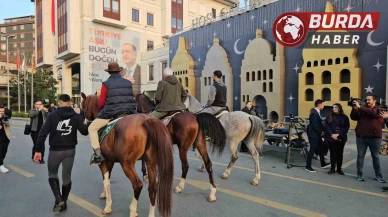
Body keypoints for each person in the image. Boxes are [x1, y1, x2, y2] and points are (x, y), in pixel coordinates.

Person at [33, 94, 89, 212]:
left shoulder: (52, 115)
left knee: (52, 174)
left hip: (55, 151)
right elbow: (84, 132)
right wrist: (84, 118)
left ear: (59, 103)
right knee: (66, 177)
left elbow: (42, 134)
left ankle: (58, 199)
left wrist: (38, 150)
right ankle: (64, 202)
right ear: (70, 103)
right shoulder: (76, 116)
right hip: (70, 151)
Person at [88, 62, 137, 165]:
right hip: (130, 112)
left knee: (91, 128)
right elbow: (130, 97)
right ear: (119, 71)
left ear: (109, 72)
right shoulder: (128, 83)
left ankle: (97, 155)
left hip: (112, 112)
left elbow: (101, 103)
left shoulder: (106, 83)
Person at [350, 95, 386, 183]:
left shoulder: (380, 109)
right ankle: (360, 174)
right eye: (366, 100)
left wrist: (360, 107)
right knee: (360, 156)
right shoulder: (362, 108)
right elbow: (353, 117)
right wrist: (355, 109)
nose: (367, 101)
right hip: (361, 137)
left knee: (376, 157)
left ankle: (378, 176)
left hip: (375, 137)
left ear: (374, 100)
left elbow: (373, 113)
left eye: (369, 100)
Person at [324, 103, 350, 175]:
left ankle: (339, 169)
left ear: (339, 108)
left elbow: (346, 127)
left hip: (341, 138)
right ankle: (332, 169)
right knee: (333, 154)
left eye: (336, 107)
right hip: (331, 138)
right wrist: (332, 134)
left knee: (340, 153)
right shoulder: (329, 117)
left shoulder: (344, 117)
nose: (334, 108)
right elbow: (326, 126)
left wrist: (338, 134)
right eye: (333, 107)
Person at [306, 99, 330, 172]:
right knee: (312, 150)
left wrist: (323, 130)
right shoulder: (314, 113)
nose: (323, 106)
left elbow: (319, 124)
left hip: (317, 134)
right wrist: (321, 132)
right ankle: (308, 166)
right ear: (319, 105)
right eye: (323, 104)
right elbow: (314, 125)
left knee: (321, 148)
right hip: (313, 135)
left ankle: (323, 164)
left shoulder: (317, 112)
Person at [0, 107, 12, 173]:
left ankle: (1, 162)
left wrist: (3, 119)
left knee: (4, 152)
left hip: (6, 138)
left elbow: (9, 124)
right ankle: (1, 166)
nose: (1, 112)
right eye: (0, 111)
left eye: (2, 111)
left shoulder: (5, 117)